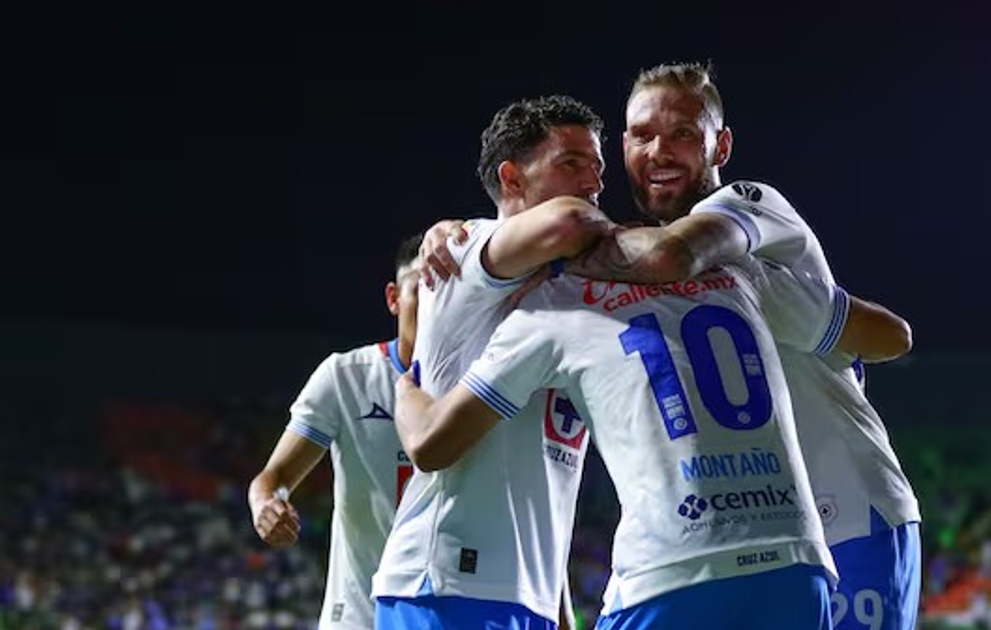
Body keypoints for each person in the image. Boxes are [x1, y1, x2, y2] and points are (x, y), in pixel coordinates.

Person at [570, 61, 923, 630]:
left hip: (849, 515)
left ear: (721, 145)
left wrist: (548, 239)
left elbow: (674, 256)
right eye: (642, 134)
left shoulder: (750, 206)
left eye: (683, 133)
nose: (660, 151)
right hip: (752, 538)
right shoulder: (635, 279)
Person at [391, 248, 897, 626]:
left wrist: (405, 392)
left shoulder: (551, 306)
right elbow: (894, 335)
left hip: (671, 572)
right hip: (796, 567)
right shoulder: (736, 269)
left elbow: (432, 445)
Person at [371, 94, 616, 630]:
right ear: (512, 179)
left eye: (597, 168)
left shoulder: (568, 291)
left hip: (525, 596)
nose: (593, 183)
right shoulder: (464, 250)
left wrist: (558, 609)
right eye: (571, 163)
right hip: (447, 585)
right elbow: (569, 222)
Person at [248, 234, 422, 630]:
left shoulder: (479, 388)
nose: (433, 306)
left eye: (444, 293)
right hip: (360, 615)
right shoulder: (346, 377)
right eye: (420, 290)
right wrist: (265, 505)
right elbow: (273, 478)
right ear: (394, 298)